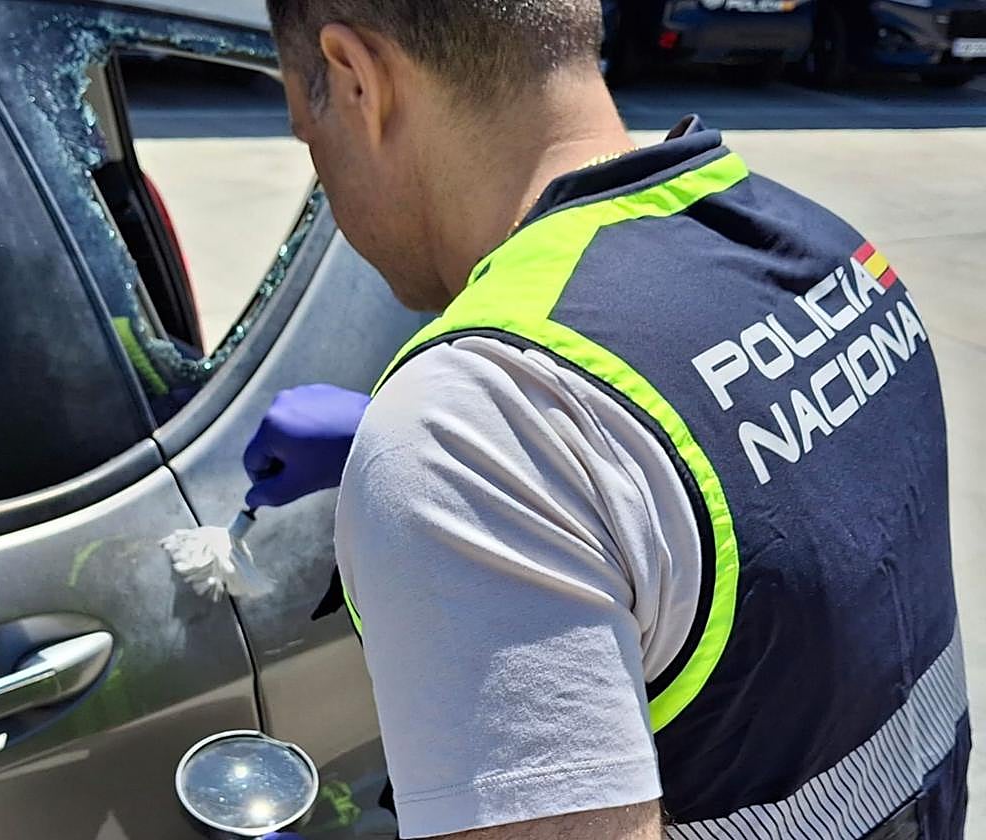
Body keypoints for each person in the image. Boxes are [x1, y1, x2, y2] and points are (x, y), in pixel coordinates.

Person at [242, 1, 969, 838]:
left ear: (354, 76)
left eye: (310, 138)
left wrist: (458, 453)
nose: (326, 184)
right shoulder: (825, 250)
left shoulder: (470, 430)